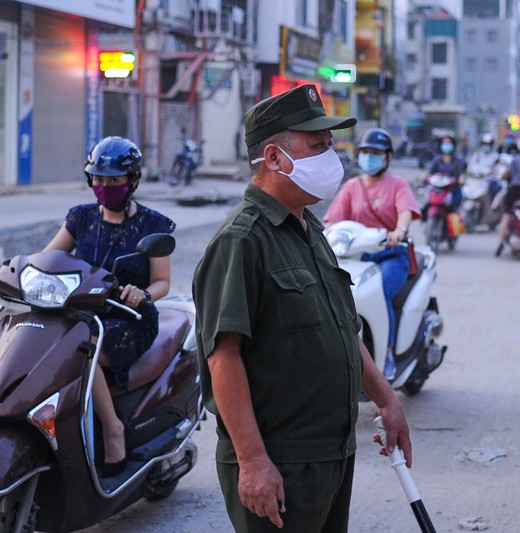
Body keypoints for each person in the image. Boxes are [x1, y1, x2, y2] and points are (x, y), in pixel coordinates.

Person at [192, 84, 412, 533]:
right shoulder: (242, 241)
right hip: (280, 462)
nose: (332, 159)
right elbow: (223, 357)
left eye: (330, 146)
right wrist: (253, 462)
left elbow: (344, 330)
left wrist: (387, 399)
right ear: (274, 158)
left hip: (331, 454)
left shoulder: (309, 228)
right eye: (317, 147)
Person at [43, 136, 175, 476]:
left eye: (113, 180)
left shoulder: (152, 225)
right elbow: (49, 258)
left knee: (81, 351)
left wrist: (142, 294)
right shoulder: (80, 218)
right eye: (98, 179)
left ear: (131, 181)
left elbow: (162, 282)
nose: (104, 187)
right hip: (78, 315)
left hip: (130, 319)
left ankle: (113, 430)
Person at [324, 127, 421, 381]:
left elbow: (406, 212)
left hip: (391, 256)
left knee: (381, 295)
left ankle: (387, 353)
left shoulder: (398, 185)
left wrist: (399, 231)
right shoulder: (351, 187)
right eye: (366, 152)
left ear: (387, 157)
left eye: (376, 153)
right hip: (357, 257)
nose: (370, 157)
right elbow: (332, 221)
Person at [421, 133, 465, 211]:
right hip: (438, 188)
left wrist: (462, 178)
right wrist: (424, 176)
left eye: (448, 143)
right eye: (444, 143)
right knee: (426, 203)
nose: (446, 145)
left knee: (455, 208)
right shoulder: (437, 160)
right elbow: (429, 171)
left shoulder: (458, 161)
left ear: (453, 145)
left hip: (452, 189)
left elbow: (461, 174)